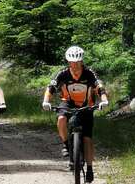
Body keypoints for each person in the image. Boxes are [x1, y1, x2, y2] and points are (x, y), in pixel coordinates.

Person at [42, 46, 108, 183]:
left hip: (87, 105)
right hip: (67, 103)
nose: (75, 65)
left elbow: (99, 87)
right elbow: (51, 87)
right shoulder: (63, 74)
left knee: (88, 138)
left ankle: (89, 169)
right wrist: (46, 101)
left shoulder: (89, 73)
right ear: (68, 62)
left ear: (82, 61)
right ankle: (66, 144)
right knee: (61, 118)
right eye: (72, 62)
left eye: (78, 62)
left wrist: (104, 100)